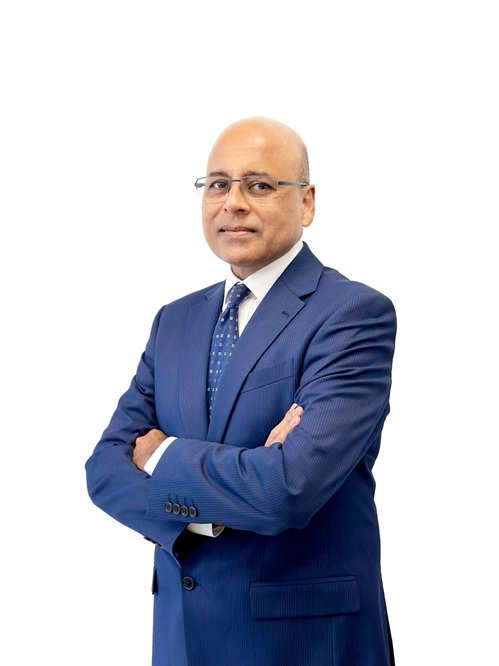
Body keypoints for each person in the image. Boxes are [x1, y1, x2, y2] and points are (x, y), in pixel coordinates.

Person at [85, 117, 397, 666]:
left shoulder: (351, 315)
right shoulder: (174, 320)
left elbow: (287, 489)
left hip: (303, 643)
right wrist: (206, 513)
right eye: (217, 184)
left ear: (306, 202)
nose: (233, 202)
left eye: (259, 184)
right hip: (182, 639)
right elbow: (105, 469)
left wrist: (160, 455)